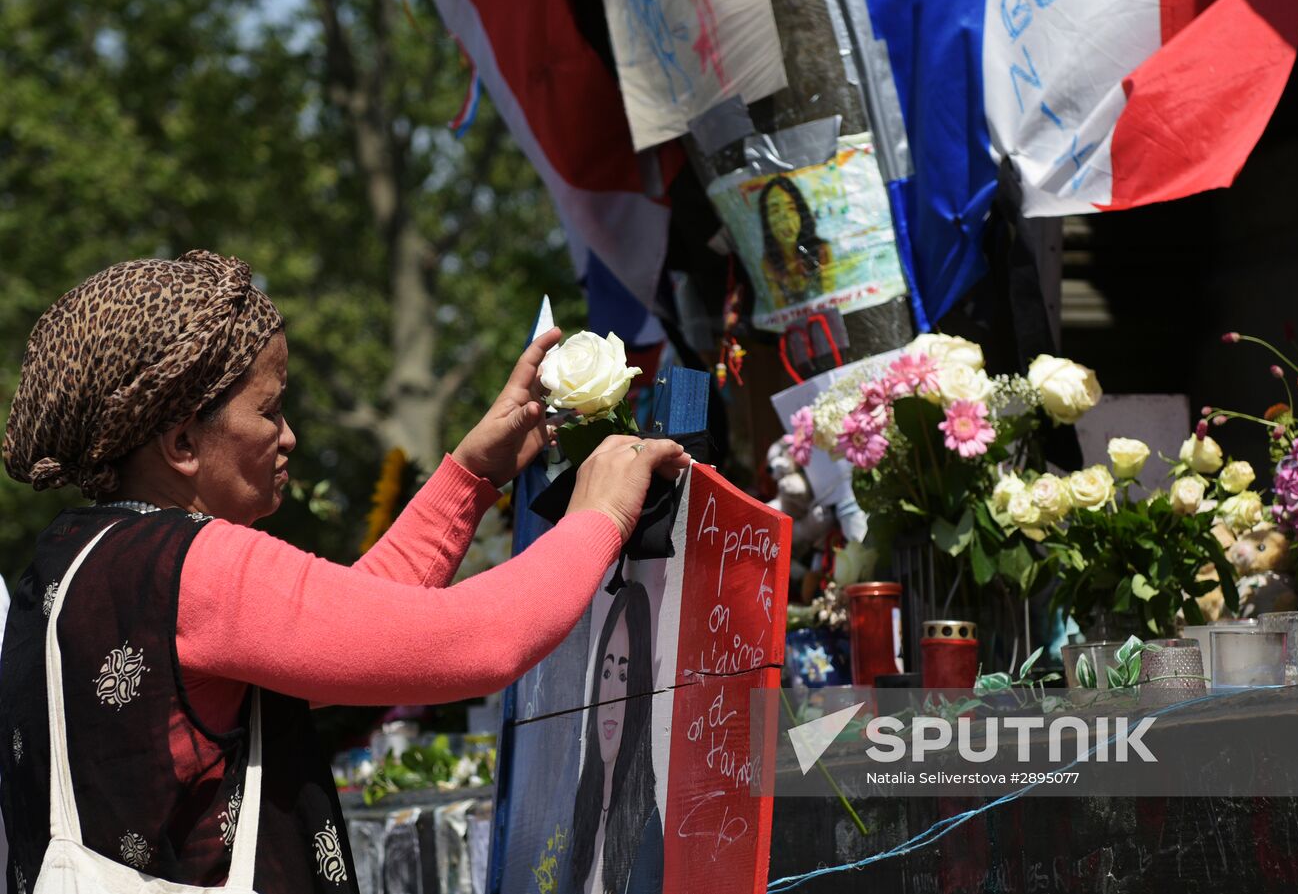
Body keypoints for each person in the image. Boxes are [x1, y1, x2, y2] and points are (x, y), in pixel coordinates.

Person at [0, 251, 688, 894]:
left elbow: (358, 624)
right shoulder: (198, 564)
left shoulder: (75, 556)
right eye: (268, 410)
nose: (289, 435)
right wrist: (600, 511)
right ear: (181, 442)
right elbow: (474, 640)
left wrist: (472, 476)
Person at [568, 581, 661, 894]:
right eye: (606, 673)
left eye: (623, 676)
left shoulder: (645, 825)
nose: (609, 696)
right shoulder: (582, 806)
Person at [757, 176, 833, 309]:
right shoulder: (768, 264)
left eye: (791, 208)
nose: (785, 218)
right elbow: (780, 308)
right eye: (775, 210)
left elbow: (833, 296)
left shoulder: (822, 250)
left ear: (800, 213)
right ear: (766, 220)